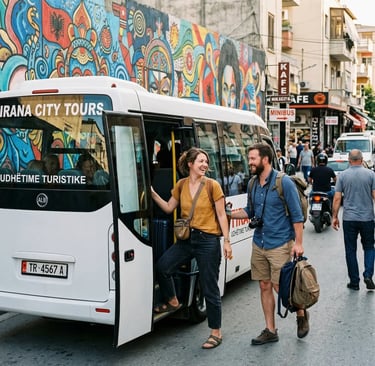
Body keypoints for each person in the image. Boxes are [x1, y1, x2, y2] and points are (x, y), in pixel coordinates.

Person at [151, 147, 231, 349]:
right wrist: (152, 194)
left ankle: (216, 332)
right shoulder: (181, 185)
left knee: (209, 286)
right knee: (163, 266)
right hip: (187, 239)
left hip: (208, 241)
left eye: (206, 162)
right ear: (190, 164)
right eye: (200, 161)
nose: (205, 165)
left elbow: (222, 215)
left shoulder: (213, 186)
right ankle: (173, 301)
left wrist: (227, 241)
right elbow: (170, 208)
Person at [230, 143, 308, 345]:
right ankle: (270, 330)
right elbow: (249, 210)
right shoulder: (252, 183)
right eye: (249, 158)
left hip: (280, 243)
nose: (250, 162)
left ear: (265, 159)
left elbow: (297, 216)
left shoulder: (284, 182)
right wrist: (228, 214)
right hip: (259, 242)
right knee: (264, 285)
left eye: (253, 158)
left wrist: (298, 243)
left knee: (281, 286)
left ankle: (300, 312)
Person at [332, 149, 375, 291]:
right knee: (369, 247)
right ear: (362, 160)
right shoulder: (371, 175)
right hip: (367, 218)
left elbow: (337, 198)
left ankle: (354, 282)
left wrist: (334, 216)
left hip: (349, 219)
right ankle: (368, 274)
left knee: (350, 250)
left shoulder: (343, 176)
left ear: (349, 160)